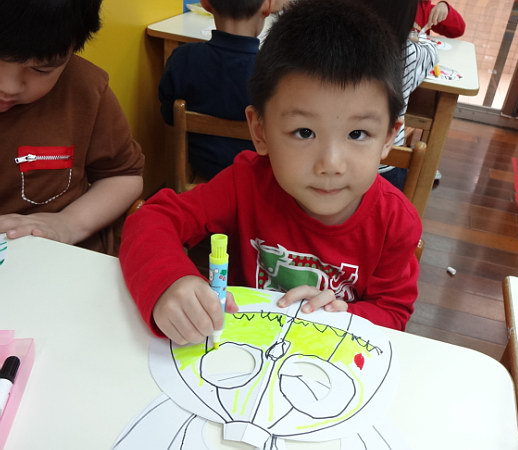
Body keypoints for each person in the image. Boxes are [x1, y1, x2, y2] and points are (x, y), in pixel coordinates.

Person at [120, 0, 422, 345]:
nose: (330, 164)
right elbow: (151, 219)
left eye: (358, 134)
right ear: (260, 130)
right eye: (304, 132)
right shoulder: (245, 183)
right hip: (242, 349)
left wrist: (343, 316)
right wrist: (169, 281)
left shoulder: (395, 222)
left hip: (325, 360)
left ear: (388, 137)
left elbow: (393, 313)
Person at [0, 0, 144, 255]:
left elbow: (122, 176)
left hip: (61, 257)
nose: (8, 87)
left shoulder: (85, 90)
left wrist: (69, 223)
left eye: (41, 69)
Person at [159, 0, 273, 181]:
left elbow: (169, 116)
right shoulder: (273, 72)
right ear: (267, 6)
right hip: (258, 174)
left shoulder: (182, 58)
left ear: (205, 4)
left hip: (205, 170)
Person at [361, 0, 438, 189]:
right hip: (385, 165)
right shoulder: (409, 53)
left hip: (335, 158)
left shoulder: (332, 45)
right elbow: (432, 53)